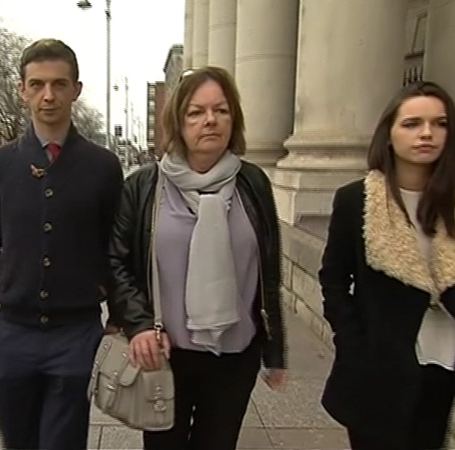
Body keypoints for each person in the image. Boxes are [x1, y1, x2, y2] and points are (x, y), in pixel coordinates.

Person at [108, 66, 286, 450]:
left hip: (235, 353)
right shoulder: (144, 186)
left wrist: (276, 350)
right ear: (178, 121)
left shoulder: (253, 183)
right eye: (196, 112)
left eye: (221, 110)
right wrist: (137, 325)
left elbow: (268, 272)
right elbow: (118, 263)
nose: (210, 120)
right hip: (166, 354)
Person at [319, 80, 455, 450]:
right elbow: (334, 280)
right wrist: (355, 345)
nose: (427, 134)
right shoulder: (357, 200)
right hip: (381, 363)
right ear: (389, 134)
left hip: (451, 362)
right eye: (412, 123)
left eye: (440, 124)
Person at [0, 38, 123, 450]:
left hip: (76, 333)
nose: (48, 95)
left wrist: (119, 313)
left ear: (76, 89)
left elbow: (116, 246)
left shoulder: (103, 166)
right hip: (12, 332)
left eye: (59, 84)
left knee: (63, 442)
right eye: (37, 84)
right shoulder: (0, 165)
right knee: (17, 440)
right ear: (22, 90)